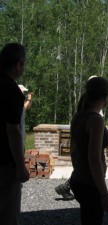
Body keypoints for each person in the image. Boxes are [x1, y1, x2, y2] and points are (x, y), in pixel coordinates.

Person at [69, 76, 108, 224]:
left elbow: (73, 150)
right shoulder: (96, 120)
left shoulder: (78, 115)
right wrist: (104, 194)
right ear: (106, 96)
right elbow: (94, 159)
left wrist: (78, 171)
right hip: (90, 184)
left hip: (78, 179)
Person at [0, 43, 30, 225]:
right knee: (7, 213)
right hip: (4, 163)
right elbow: (13, 130)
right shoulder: (11, 90)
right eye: (24, 64)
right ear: (18, 64)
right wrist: (20, 166)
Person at [18, 84, 34, 151]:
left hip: (22, 127)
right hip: (18, 128)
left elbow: (27, 107)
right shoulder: (16, 100)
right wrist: (29, 100)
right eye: (23, 91)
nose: (24, 93)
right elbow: (24, 107)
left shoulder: (21, 101)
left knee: (22, 145)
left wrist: (30, 99)